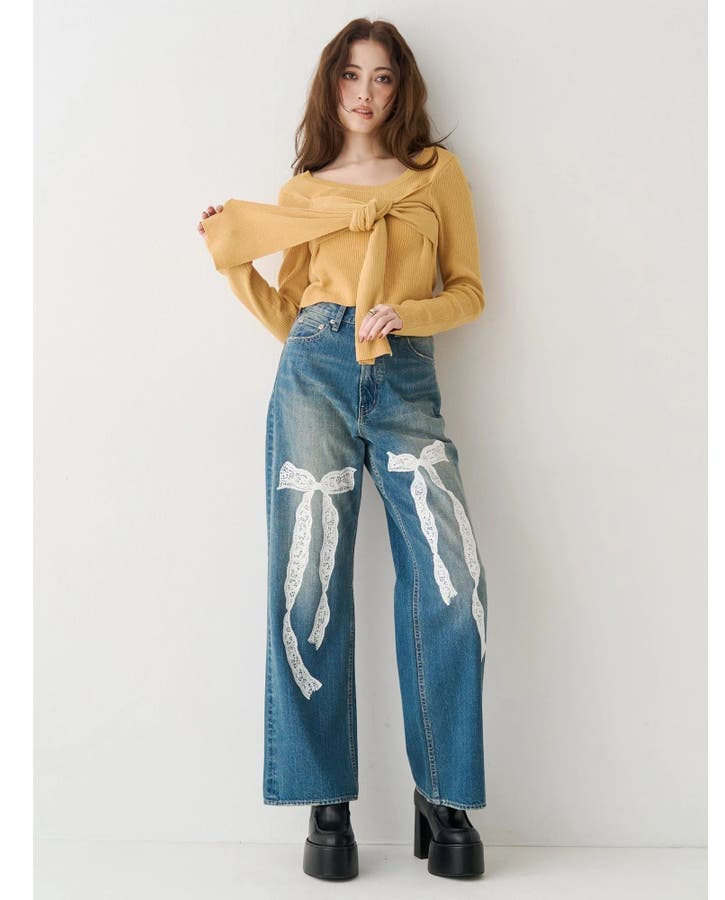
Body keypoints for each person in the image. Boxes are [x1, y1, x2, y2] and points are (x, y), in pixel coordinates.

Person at [197, 18, 488, 881]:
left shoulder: (436, 175)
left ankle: (444, 795)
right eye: (351, 76)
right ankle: (326, 800)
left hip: (405, 375)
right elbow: (292, 316)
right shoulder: (303, 193)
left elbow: (470, 290)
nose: (366, 93)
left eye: (383, 77)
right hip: (314, 372)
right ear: (332, 87)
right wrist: (234, 265)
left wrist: (410, 314)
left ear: (402, 89)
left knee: (452, 580)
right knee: (309, 581)